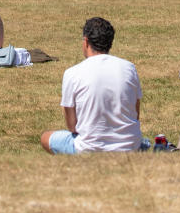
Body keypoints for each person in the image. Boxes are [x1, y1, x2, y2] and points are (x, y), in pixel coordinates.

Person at [40, 17, 143, 155]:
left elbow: (72, 126)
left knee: (46, 138)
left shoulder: (72, 73)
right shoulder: (129, 68)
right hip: (129, 145)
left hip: (89, 148)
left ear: (86, 41)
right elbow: (135, 115)